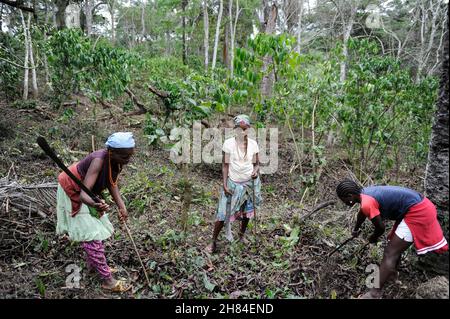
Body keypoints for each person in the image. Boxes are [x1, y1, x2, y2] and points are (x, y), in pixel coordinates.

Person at [336, 179, 448, 299]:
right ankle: (392, 275)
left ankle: (374, 293)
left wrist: (373, 237)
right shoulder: (364, 193)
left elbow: (380, 228)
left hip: (418, 211)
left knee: (390, 252)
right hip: (417, 205)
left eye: (344, 200)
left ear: (349, 196)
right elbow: (362, 213)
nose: (344, 203)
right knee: (393, 245)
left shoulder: (367, 202)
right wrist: (356, 229)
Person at [56, 132, 135, 292]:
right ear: (112, 152)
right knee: (91, 234)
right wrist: (96, 204)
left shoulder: (116, 162)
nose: (128, 160)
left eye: (130, 156)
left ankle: (94, 267)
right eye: (125, 157)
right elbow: (84, 195)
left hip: (88, 192)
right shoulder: (99, 161)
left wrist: (121, 206)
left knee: (95, 230)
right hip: (73, 189)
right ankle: (107, 281)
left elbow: (112, 183)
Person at [205, 115, 262, 253]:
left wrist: (255, 171)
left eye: (245, 129)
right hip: (233, 183)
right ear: (235, 130)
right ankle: (213, 241)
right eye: (239, 129)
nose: (242, 132)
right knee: (223, 213)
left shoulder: (253, 144)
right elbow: (225, 165)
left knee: (246, 211)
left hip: (249, 184)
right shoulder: (229, 144)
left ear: (248, 129)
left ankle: (241, 235)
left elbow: (257, 164)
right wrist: (224, 185)